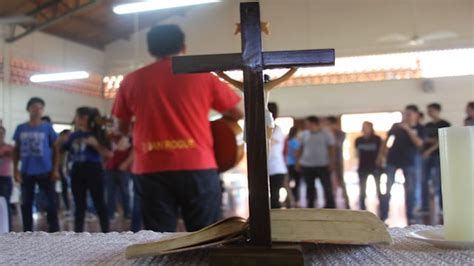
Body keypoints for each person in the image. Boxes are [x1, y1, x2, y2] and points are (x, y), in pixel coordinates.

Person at [112, 24, 243, 232]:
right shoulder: (203, 76)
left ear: (150, 50)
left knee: (159, 238)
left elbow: (122, 126)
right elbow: (238, 113)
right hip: (198, 165)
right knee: (205, 236)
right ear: (183, 46)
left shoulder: (131, 81)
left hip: (150, 167)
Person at [57, 107, 111, 232]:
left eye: (79, 117)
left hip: (93, 169)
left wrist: (95, 144)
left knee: (99, 202)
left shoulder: (97, 133)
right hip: (77, 169)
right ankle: (78, 233)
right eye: (76, 117)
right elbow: (61, 151)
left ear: (86, 118)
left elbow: (108, 154)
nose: (76, 120)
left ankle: (106, 232)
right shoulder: (74, 135)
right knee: (79, 204)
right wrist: (60, 142)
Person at [13, 97, 60, 232]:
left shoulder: (47, 128)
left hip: (46, 170)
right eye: (34, 107)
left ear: (42, 110)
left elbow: (56, 150)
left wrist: (55, 169)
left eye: (40, 107)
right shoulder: (21, 128)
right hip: (27, 171)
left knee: (51, 202)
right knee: (26, 202)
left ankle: (55, 230)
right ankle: (27, 231)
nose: (37, 110)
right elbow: (16, 150)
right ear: (28, 109)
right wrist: (15, 170)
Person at [377, 105, 425, 224]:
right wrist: (381, 155)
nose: (406, 116)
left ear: (416, 115)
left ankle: (410, 215)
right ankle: (383, 215)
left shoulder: (420, 128)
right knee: (388, 187)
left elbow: (419, 143)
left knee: (410, 189)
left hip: (409, 161)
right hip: (392, 160)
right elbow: (386, 141)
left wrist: (408, 129)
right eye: (405, 114)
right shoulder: (396, 126)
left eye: (409, 114)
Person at [297, 116, 336, 209]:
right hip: (307, 165)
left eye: (308, 124)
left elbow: (331, 148)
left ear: (314, 123)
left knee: (327, 187)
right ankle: (311, 207)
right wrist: (298, 162)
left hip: (323, 165)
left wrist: (332, 162)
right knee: (309, 188)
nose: (307, 126)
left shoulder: (326, 134)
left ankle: (330, 207)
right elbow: (301, 148)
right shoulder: (304, 134)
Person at [421, 103, 450, 213]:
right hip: (426, 156)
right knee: (424, 181)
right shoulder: (427, 125)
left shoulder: (445, 124)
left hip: (439, 156)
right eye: (428, 110)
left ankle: (443, 208)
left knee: (440, 181)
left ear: (438, 111)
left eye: (431, 110)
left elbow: (441, 140)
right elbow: (424, 139)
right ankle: (425, 207)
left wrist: (429, 149)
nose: (429, 112)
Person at [267, 102, 291, 208]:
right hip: (267, 169)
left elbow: (268, 144)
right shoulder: (263, 129)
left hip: (276, 169)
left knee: (274, 198)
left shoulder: (276, 129)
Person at [355, 122, 383, 212]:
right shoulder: (358, 140)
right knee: (362, 189)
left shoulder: (377, 139)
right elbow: (357, 153)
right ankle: (362, 210)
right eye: (364, 127)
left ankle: (382, 209)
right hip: (363, 167)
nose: (365, 129)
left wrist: (379, 161)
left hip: (375, 167)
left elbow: (381, 152)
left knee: (379, 188)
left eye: (367, 127)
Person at [105, 131, 133, 220]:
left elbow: (134, 151)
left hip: (123, 169)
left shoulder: (130, 135)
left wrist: (126, 163)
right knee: (110, 193)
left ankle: (127, 213)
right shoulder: (110, 136)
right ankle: (110, 213)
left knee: (125, 192)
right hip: (110, 168)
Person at [326, 116, 350, 209]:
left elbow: (336, 145)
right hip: (329, 161)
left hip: (338, 161)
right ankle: (332, 204)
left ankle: (347, 203)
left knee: (341, 182)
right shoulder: (328, 134)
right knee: (330, 183)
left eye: (328, 124)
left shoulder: (340, 134)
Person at [0, 126, 14, 231]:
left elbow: (17, 156)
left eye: (1, 133)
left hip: (5, 178)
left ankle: (7, 229)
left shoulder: (9, 147)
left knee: (5, 204)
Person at [286, 126, 302, 207]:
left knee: (288, 182)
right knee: (297, 183)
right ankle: (296, 200)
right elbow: (296, 154)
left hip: (288, 164)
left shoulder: (288, 141)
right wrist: (298, 163)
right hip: (294, 164)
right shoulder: (295, 142)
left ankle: (289, 199)